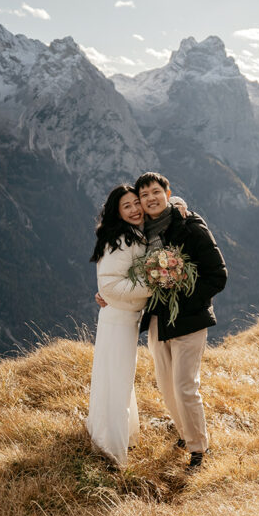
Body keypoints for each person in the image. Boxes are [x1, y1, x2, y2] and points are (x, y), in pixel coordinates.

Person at [135, 172, 227, 470]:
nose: (151, 198)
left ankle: (199, 449)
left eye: (155, 192)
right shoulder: (139, 232)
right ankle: (185, 433)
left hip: (188, 319)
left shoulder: (189, 226)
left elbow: (218, 275)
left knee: (185, 385)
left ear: (167, 192)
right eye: (144, 195)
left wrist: (183, 294)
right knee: (165, 385)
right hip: (157, 321)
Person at [88, 185, 153, 468]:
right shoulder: (121, 240)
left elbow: (168, 203)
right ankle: (112, 448)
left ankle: (122, 435)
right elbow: (111, 285)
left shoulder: (131, 234)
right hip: (118, 319)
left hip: (123, 317)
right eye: (127, 206)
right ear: (117, 211)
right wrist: (152, 285)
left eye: (136, 203)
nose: (136, 209)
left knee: (117, 378)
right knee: (116, 380)